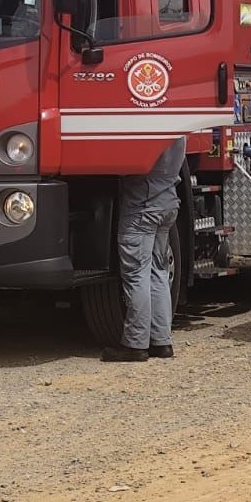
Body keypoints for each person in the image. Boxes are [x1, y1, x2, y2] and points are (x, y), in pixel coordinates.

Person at [101, 137, 186, 362]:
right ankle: (161, 341)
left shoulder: (147, 125)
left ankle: (135, 344)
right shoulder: (179, 130)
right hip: (168, 203)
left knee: (136, 274)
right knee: (158, 271)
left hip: (143, 207)